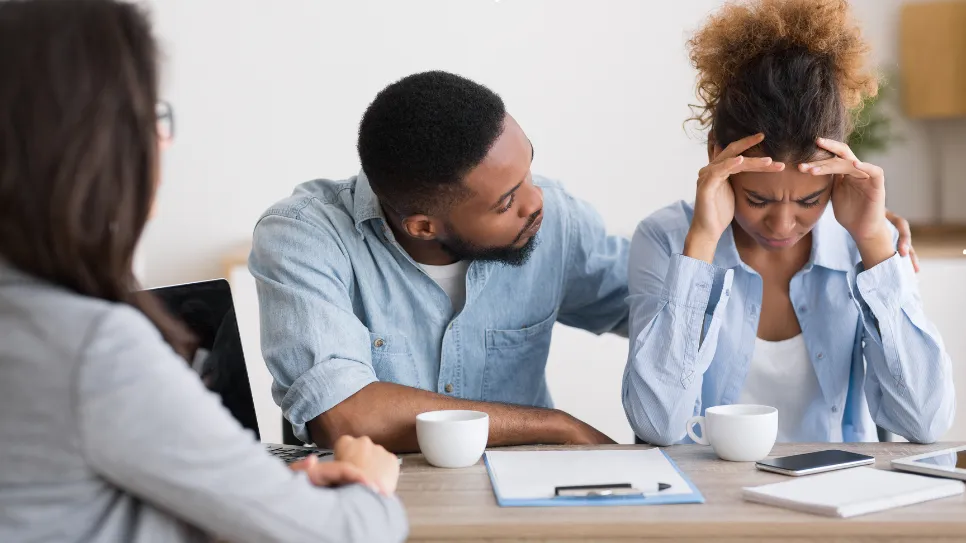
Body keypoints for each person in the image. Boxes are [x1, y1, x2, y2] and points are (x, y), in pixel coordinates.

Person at [0, 1, 406, 542]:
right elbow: (340, 535)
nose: (163, 141)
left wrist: (252, 493)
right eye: (150, 115)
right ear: (92, 143)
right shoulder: (92, 348)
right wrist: (368, 487)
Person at [622, 0, 954, 447]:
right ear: (717, 156)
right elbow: (656, 425)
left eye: (809, 200)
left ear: (838, 169)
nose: (781, 224)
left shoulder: (866, 242)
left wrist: (875, 243)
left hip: (835, 501)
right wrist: (700, 244)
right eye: (757, 198)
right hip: (709, 506)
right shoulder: (665, 240)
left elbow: (926, 422)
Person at [249, 71, 628, 452]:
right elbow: (345, 415)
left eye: (528, 169)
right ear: (424, 227)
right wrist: (555, 426)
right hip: (386, 498)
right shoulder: (303, 236)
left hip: (524, 497)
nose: (536, 202)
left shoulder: (556, 219)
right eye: (507, 202)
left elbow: (657, 308)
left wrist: (689, 240)